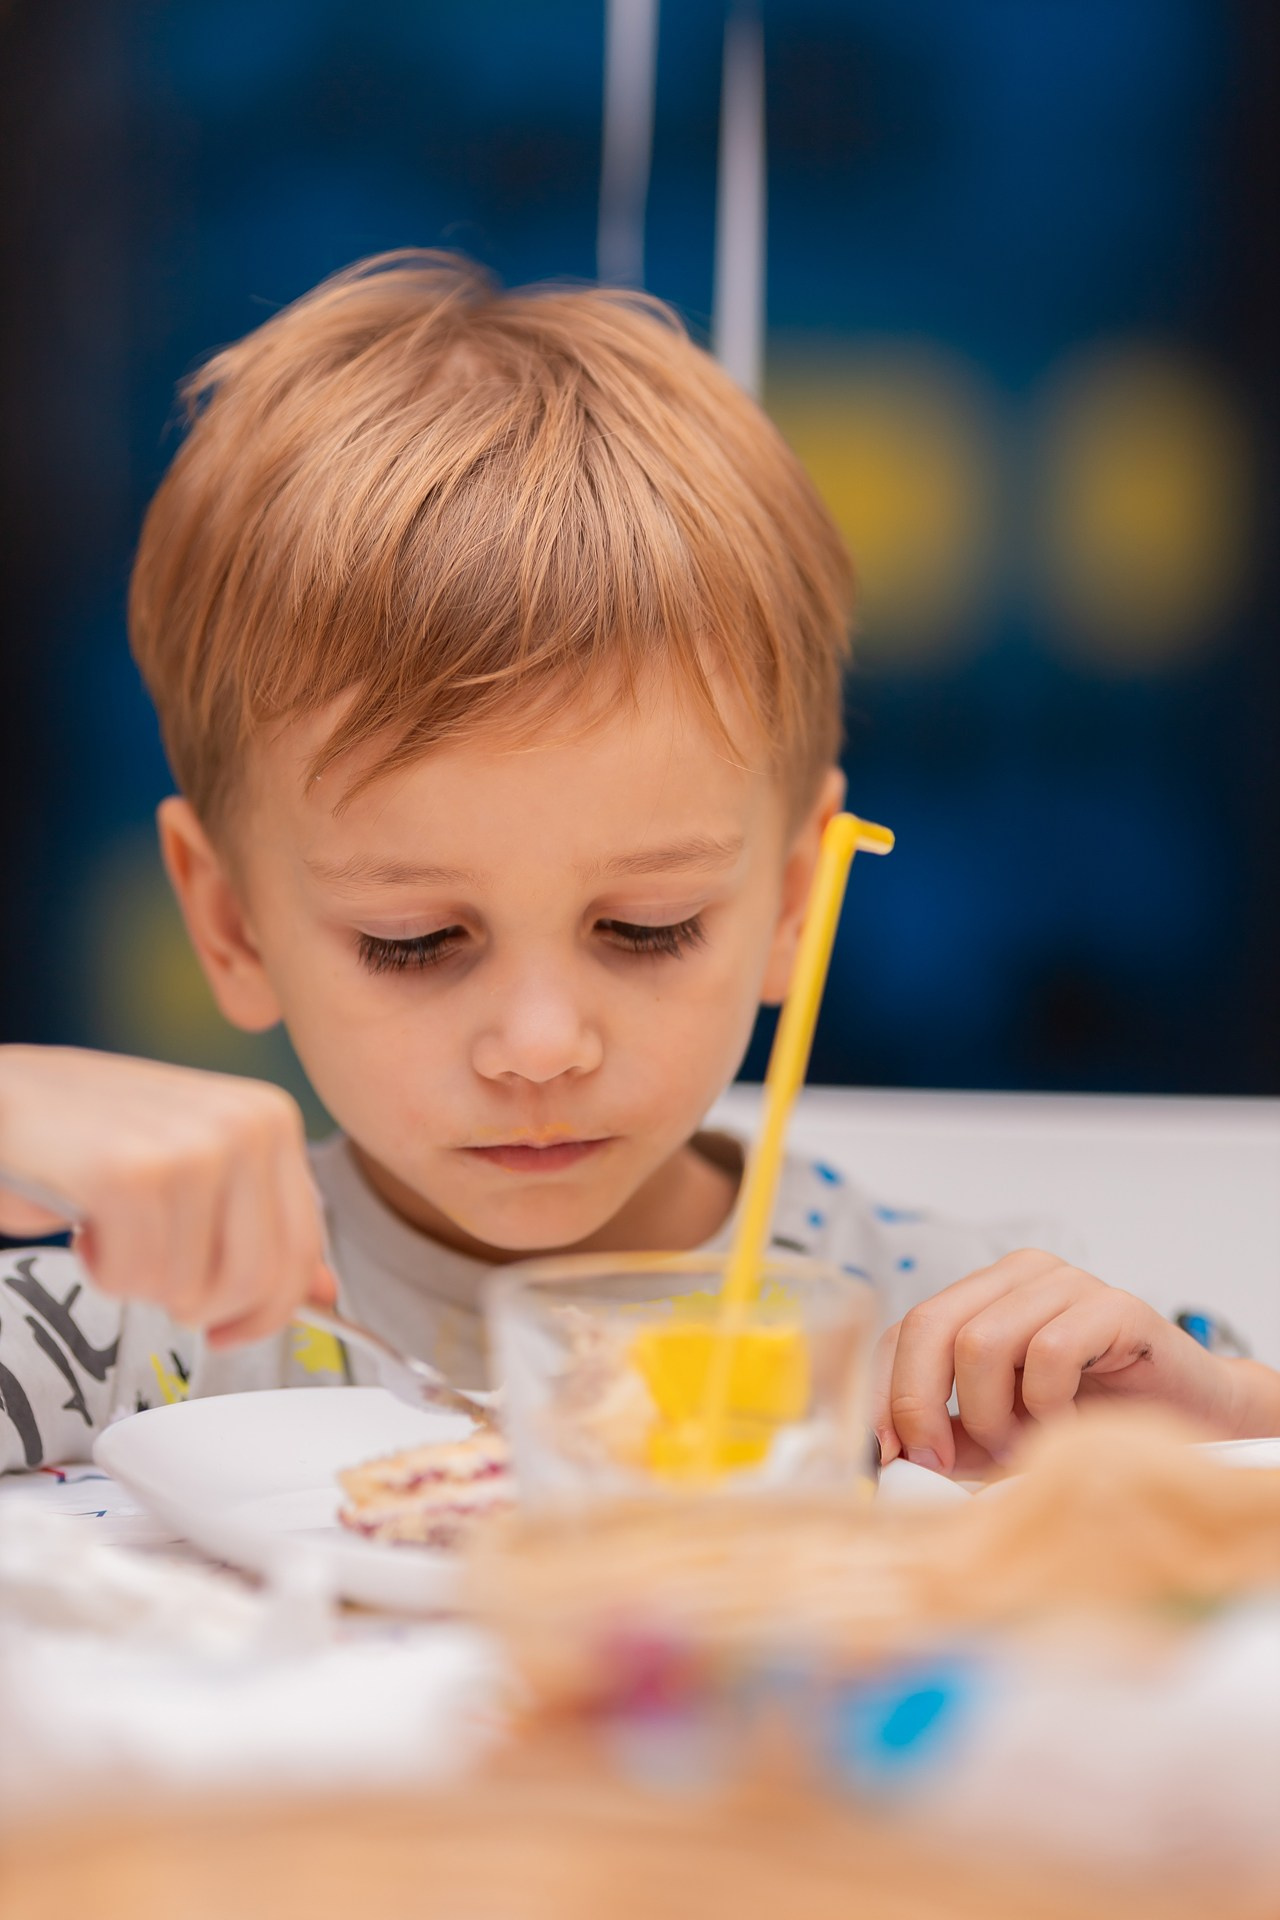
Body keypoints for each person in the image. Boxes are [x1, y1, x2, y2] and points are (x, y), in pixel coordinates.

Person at [1, 253, 1276, 1479]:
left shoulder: (923, 1324)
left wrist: (1210, 1415)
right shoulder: (143, 1319)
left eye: (649, 926)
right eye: (412, 940)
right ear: (227, 923)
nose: (540, 1045)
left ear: (791, 899)